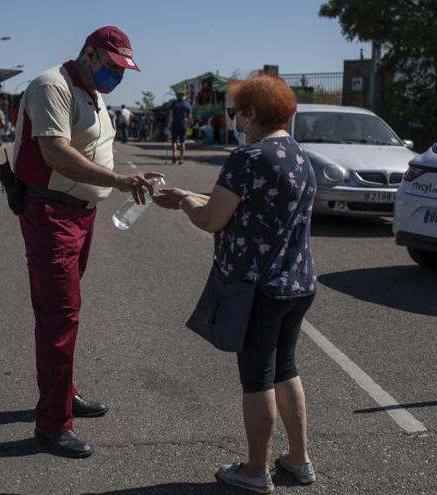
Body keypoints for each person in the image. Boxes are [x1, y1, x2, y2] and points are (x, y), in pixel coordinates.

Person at [153, 73, 317, 493]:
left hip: (257, 285)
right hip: (297, 281)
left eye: (237, 112)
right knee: (286, 368)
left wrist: (185, 202)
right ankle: (299, 460)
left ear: (252, 113)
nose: (234, 119)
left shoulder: (247, 157)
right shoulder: (298, 155)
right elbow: (248, 207)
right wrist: (192, 194)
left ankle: (256, 470)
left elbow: (212, 220)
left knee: (257, 377)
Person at [9, 25, 162, 459]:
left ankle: (63, 393)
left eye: (123, 71)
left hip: (79, 213)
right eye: (113, 67)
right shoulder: (50, 86)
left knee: (68, 311)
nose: (118, 77)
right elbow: (55, 152)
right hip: (51, 212)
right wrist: (117, 180)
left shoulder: (93, 92)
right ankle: (53, 424)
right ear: (89, 54)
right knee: (59, 316)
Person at [168, 92, 192, 164]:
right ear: (184, 96)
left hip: (175, 123)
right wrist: (189, 124)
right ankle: (181, 159)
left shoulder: (174, 103)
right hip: (183, 124)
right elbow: (190, 115)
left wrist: (169, 123)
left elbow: (170, 114)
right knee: (182, 142)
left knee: (174, 141)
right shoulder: (187, 104)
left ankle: (174, 156)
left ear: (177, 96)